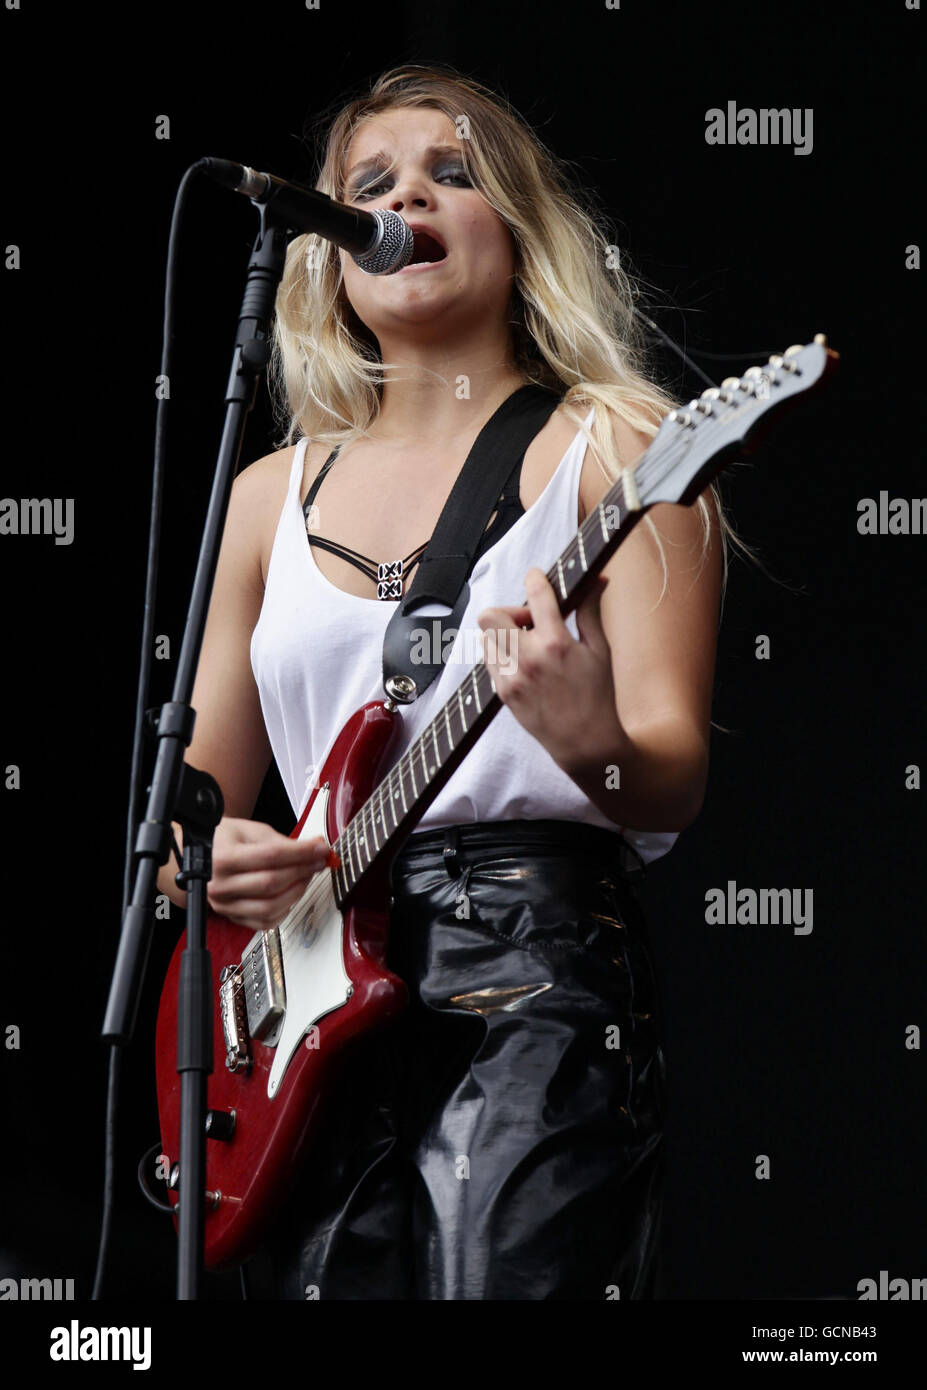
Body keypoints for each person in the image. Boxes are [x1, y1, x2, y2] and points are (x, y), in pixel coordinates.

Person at [157, 62, 734, 1300]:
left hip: (534, 955)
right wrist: (215, 865)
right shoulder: (267, 497)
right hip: (301, 990)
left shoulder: (620, 449)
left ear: (519, 228)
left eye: (451, 174)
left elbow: (671, 776)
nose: (404, 197)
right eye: (370, 185)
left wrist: (593, 744)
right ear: (328, 252)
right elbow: (182, 817)